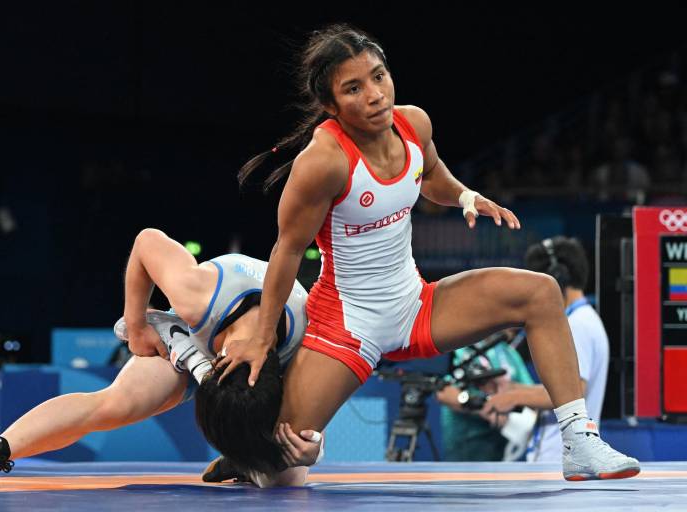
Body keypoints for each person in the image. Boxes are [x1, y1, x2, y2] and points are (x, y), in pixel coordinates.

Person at [215, 24, 639, 483]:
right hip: (347, 323)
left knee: (540, 292)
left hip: (414, 304)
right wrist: (262, 337)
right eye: (353, 88)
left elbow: (431, 173)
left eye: (379, 76)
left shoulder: (413, 125)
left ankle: (579, 442)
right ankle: (246, 455)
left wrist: (464, 196)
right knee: (280, 456)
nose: (375, 95)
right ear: (331, 105)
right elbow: (288, 250)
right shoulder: (323, 162)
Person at [0, 229, 309, 488]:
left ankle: (242, 454)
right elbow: (147, 241)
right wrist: (136, 325)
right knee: (117, 405)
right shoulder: (196, 294)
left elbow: (307, 432)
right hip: (192, 331)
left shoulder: (308, 344)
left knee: (288, 479)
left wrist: (306, 444)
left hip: (258, 351)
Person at [479, 236, 610, 462]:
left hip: (557, 459)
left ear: (556, 279)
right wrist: (512, 388)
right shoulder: (582, 320)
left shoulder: (576, 325)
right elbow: (564, 386)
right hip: (557, 456)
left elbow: (573, 392)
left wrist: (514, 397)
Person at [435, 330, 536, 462]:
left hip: (503, 446)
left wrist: (510, 394)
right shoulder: (461, 346)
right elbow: (442, 391)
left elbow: (530, 392)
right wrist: (482, 407)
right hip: (467, 445)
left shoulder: (508, 352)